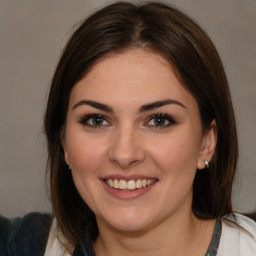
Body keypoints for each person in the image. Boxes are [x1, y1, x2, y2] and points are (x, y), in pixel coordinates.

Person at [1, 1, 256, 256]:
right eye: (97, 120)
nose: (124, 154)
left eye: (159, 120)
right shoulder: (22, 246)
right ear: (65, 142)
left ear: (206, 143)